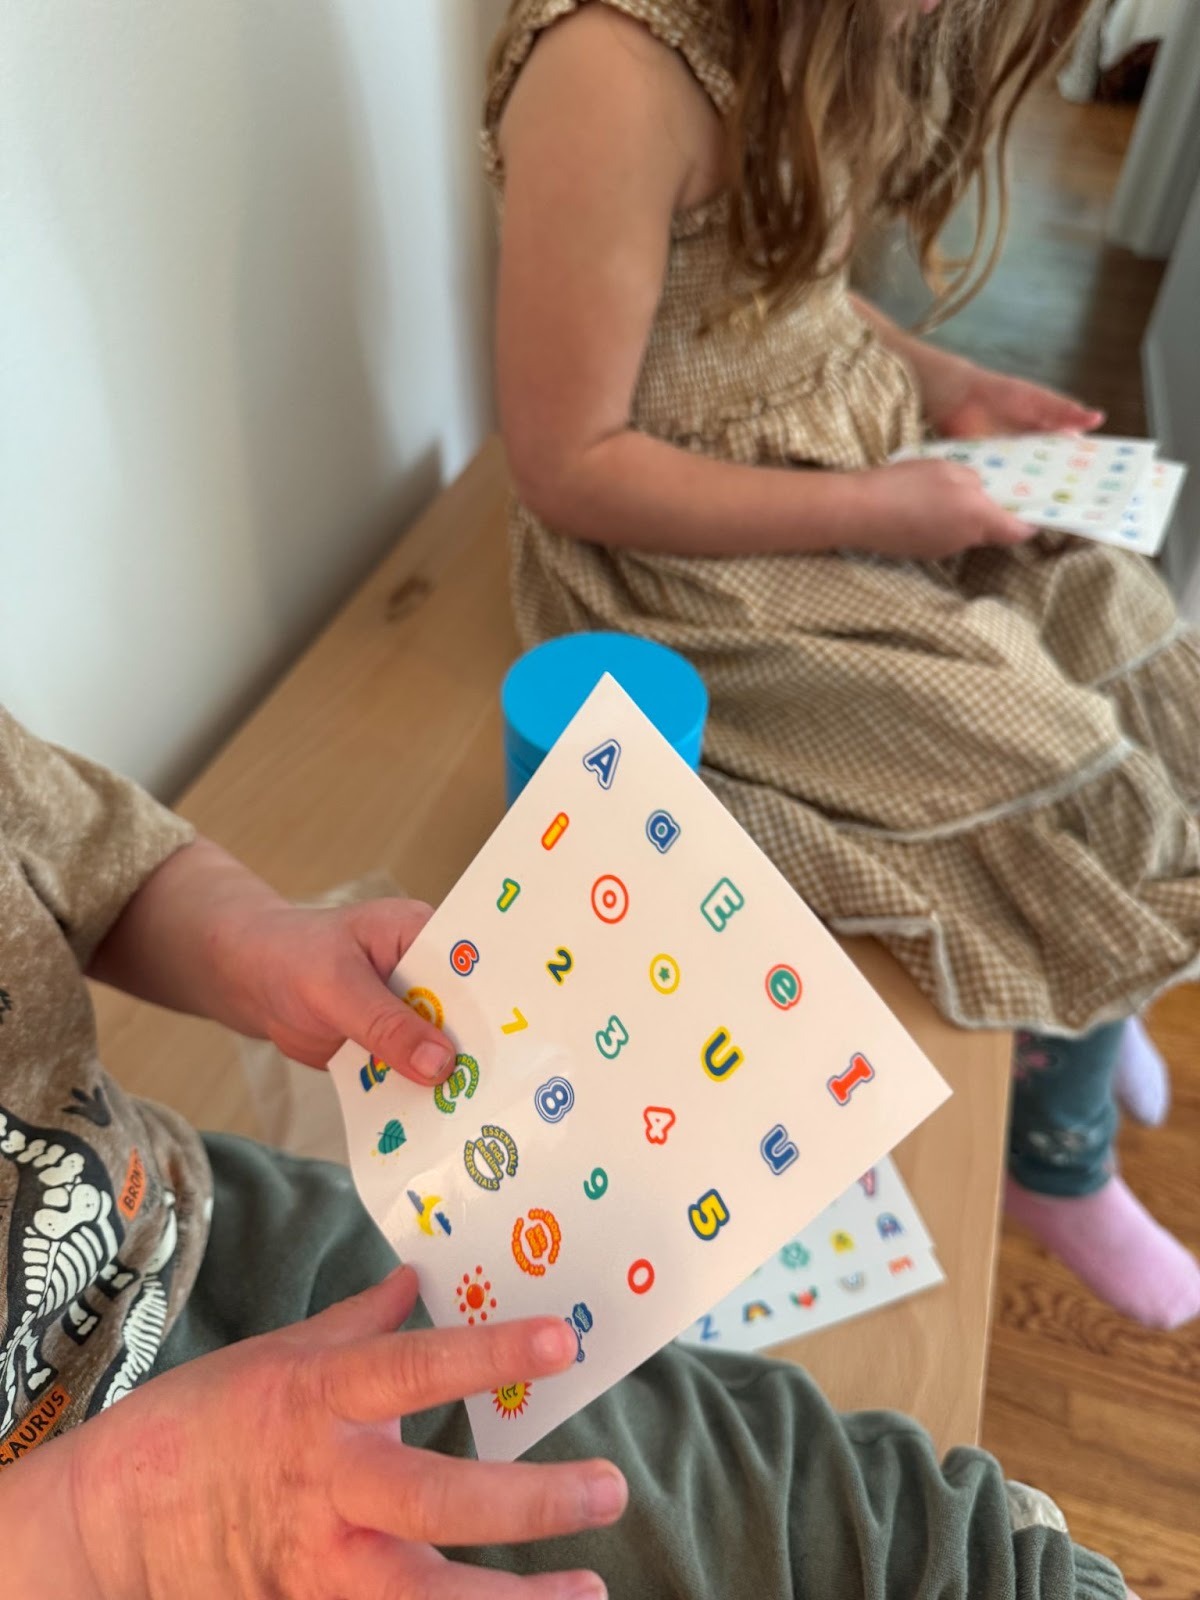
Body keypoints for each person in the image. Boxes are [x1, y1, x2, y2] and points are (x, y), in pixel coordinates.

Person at [0, 703, 1129, 1596]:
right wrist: (98, 1531)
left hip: (193, 1228)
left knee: (864, 1530)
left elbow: (96, 855)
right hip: (69, 1526)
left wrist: (256, 941)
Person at [483, 0, 1200, 1329]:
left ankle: (1090, 1008)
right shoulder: (610, 72)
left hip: (850, 450)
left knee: (1118, 628)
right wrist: (886, 514)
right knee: (1044, 758)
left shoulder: (813, 38)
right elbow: (567, 464)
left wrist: (943, 382)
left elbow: (783, 282)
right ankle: (1056, 1145)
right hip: (690, 570)